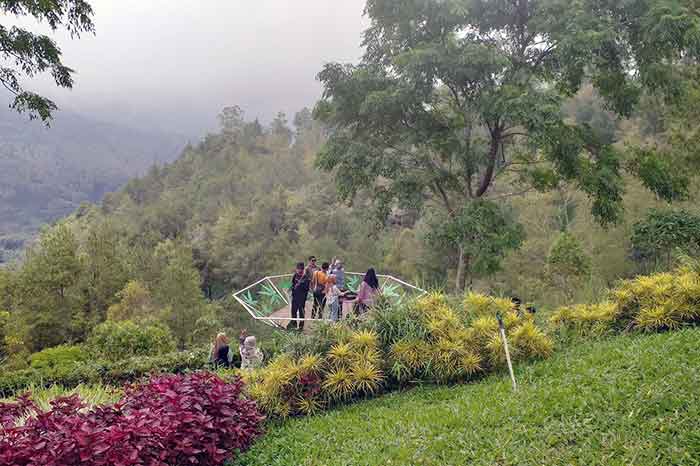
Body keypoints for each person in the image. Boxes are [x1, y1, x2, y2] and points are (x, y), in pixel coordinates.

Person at [289, 261, 311, 330]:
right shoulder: (295, 275)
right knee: (293, 311)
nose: (299, 270)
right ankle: (293, 325)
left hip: (302, 298)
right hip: (295, 297)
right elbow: (293, 284)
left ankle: (301, 327)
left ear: (303, 269)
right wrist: (292, 288)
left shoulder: (306, 278)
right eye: (298, 269)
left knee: (301, 312)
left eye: (300, 269)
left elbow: (307, 289)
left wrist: (300, 285)